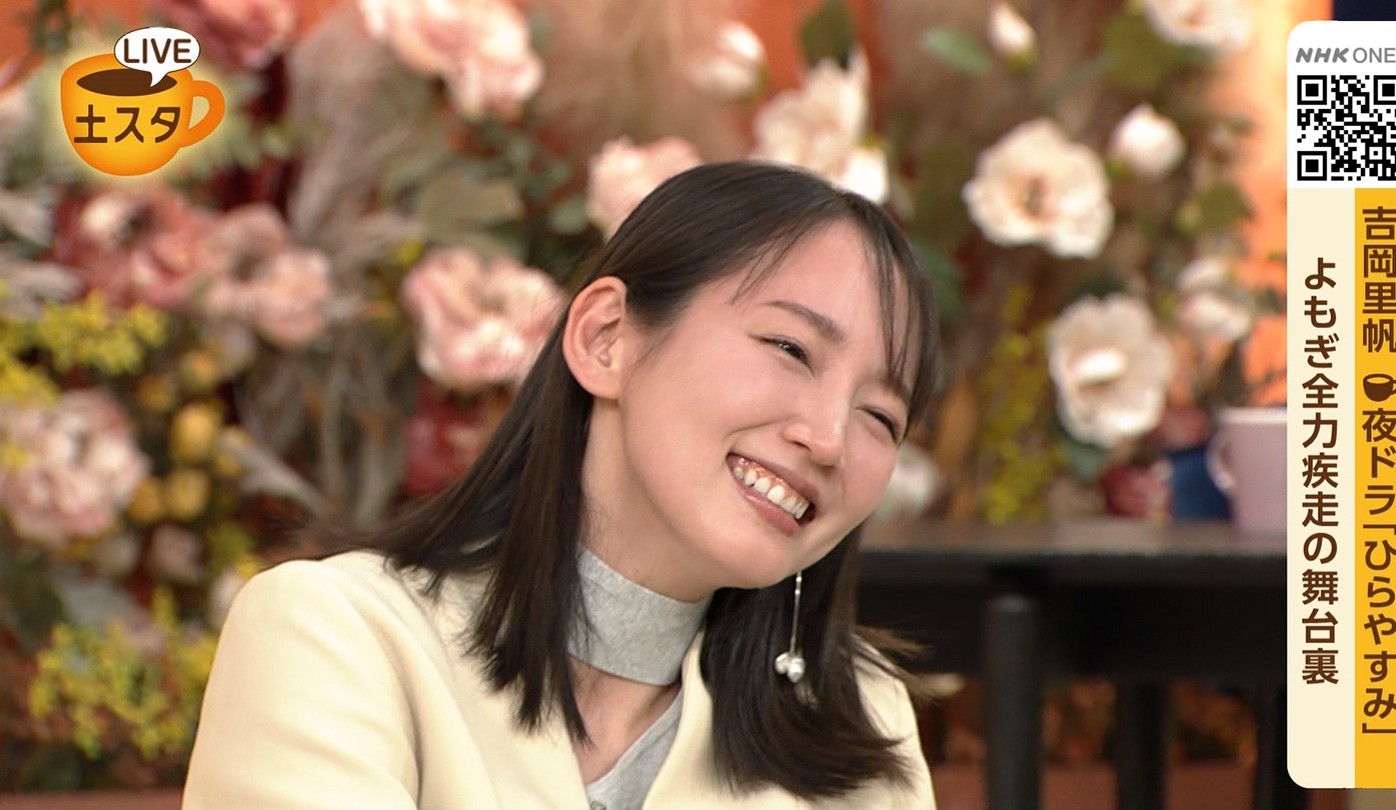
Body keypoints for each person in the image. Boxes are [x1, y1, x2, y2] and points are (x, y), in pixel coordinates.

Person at [182, 161, 941, 810]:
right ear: (606, 338)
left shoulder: (863, 724)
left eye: (880, 415)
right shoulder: (339, 637)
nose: (828, 439)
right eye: (790, 348)